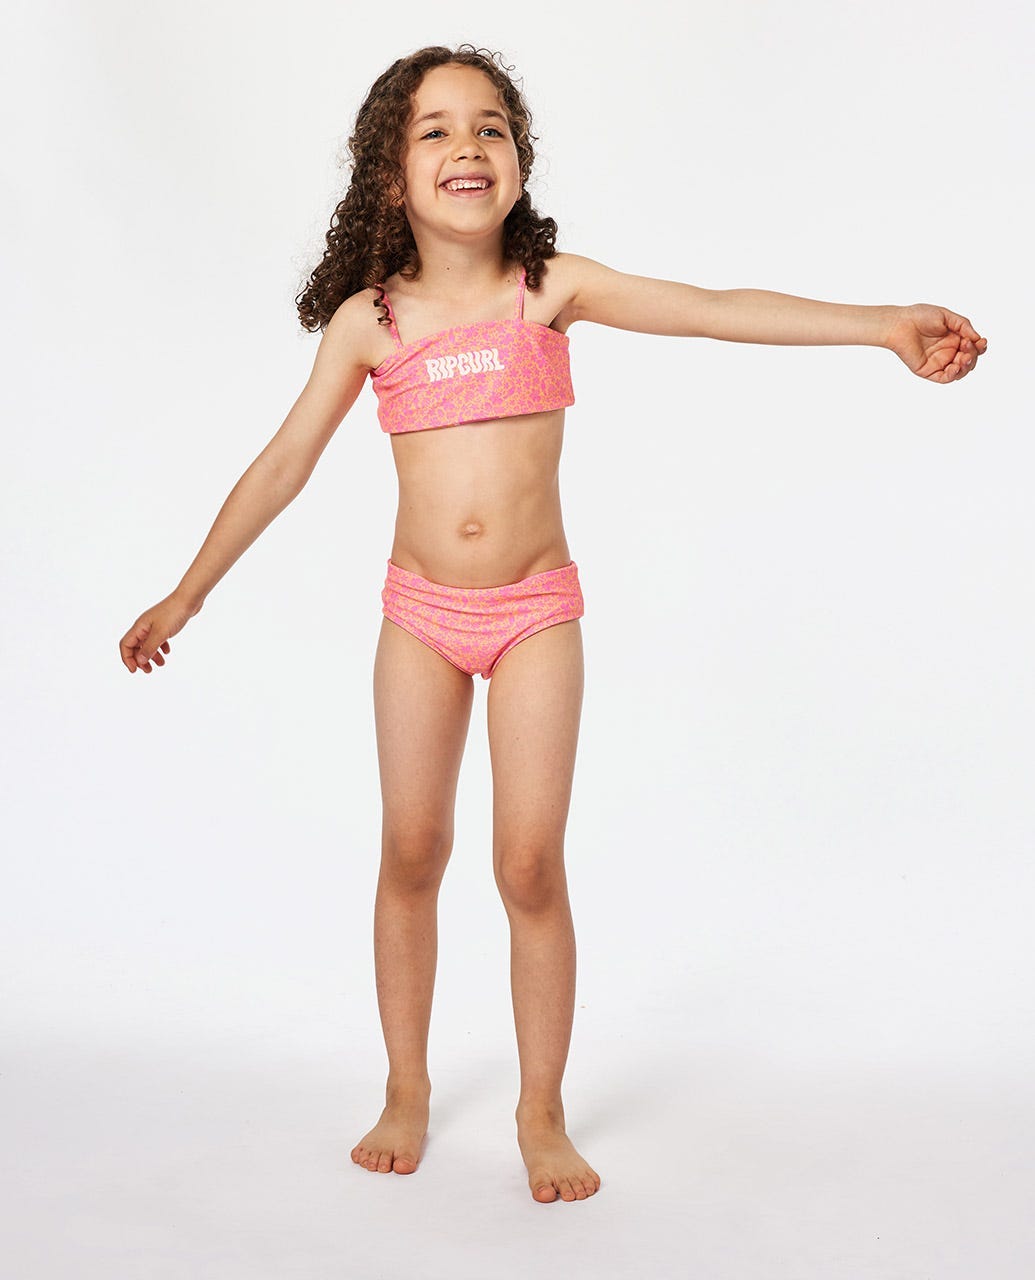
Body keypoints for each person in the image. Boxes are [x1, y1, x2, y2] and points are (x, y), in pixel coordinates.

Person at [118, 43, 987, 1205]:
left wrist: (883, 324)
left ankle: (540, 1106)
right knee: (412, 849)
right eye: (434, 130)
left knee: (528, 862)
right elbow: (283, 464)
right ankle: (407, 1084)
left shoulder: (550, 290)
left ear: (519, 159)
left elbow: (713, 310)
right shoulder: (371, 322)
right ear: (390, 175)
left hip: (535, 612)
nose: (467, 145)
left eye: (491, 125)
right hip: (420, 616)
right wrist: (187, 592)